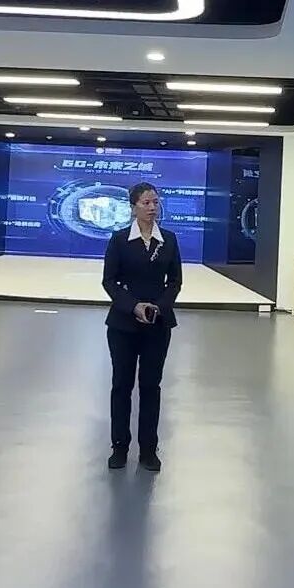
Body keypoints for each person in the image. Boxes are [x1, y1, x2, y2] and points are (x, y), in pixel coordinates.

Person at [101, 182, 182, 472]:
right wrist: (133, 306)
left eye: (155, 202)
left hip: (157, 326)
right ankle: (119, 446)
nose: (152, 207)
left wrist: (158, 306)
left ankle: (148, 449)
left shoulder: (168, 240)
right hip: (123, 325)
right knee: (121, 385)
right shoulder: (119, 239)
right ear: (133, 206)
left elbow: (175, 281)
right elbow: (109, 281)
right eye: (146, 203)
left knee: (150, 386)